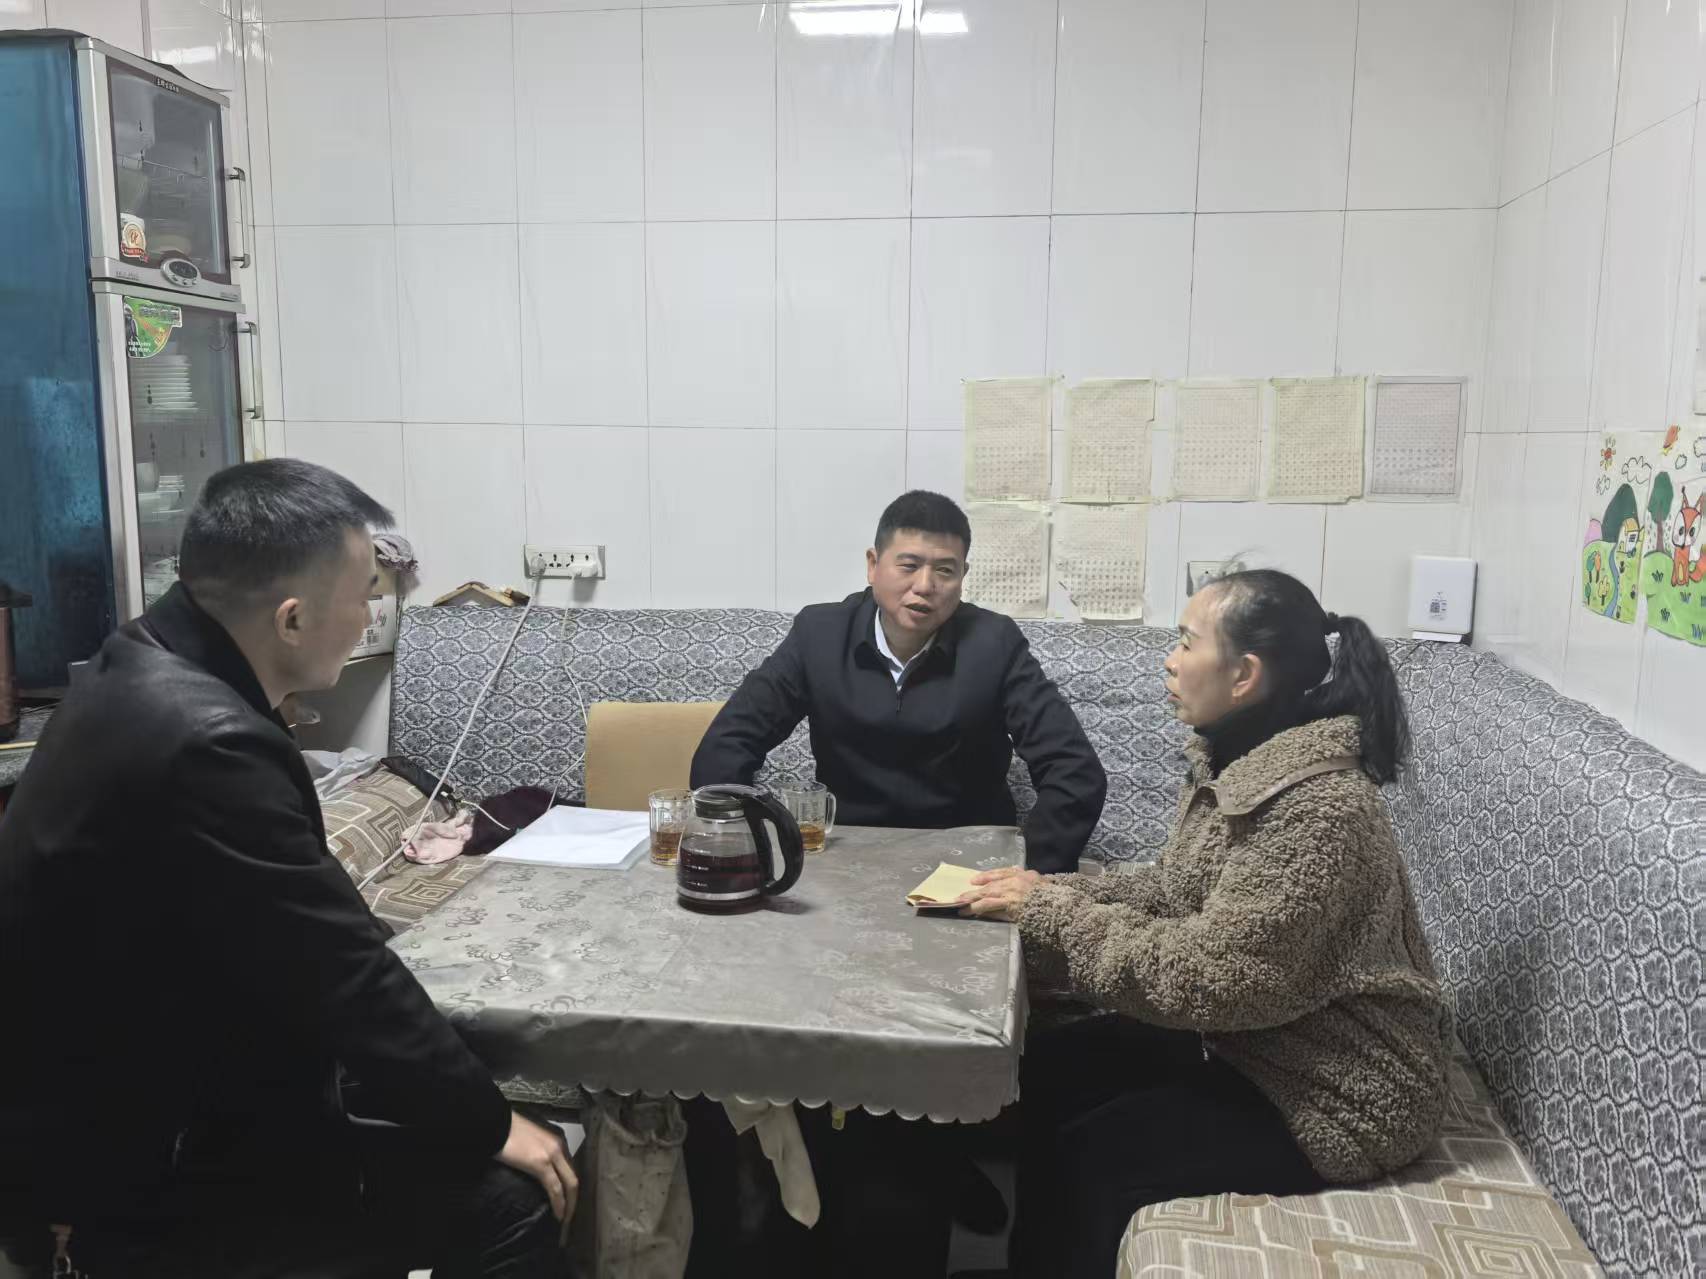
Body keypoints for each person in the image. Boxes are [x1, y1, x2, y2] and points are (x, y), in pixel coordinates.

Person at [0, 460, 575, 1279]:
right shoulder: (208, 742)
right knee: (510, 1203)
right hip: (138, 1170)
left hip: (149, 1098)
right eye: (365, 594)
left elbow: (318, 925)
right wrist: (491, 1122)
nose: (372, 614)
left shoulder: (135, 663)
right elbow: (342, 973)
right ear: (293, 618)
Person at [961, 569, 1453, 1279]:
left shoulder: (1319, 809)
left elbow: (1215, 978)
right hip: (1255, 1039)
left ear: (1244, 674)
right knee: (1039, 1072)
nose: (1170, 660)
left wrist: (1054, 914)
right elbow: (1174, 890)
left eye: (1187, 642)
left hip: (1337, 1089)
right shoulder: (1239, 762)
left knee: (1096, 1155)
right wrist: (1045, 892)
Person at [691, 489, 1107, 872]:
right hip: (848, 856)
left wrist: (1031, 873)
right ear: (873, 565)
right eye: (909, 566)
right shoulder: (819, 635)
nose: (925, 586)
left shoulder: (994, 644)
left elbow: (1074, 771)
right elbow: (728, 744)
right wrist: (741, 844)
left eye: (945, 570)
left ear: (963, 575)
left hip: (967, 863)